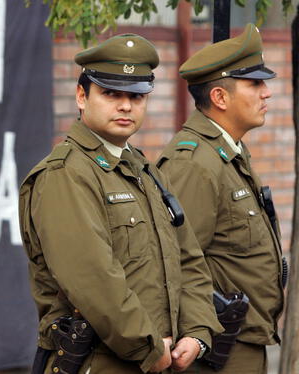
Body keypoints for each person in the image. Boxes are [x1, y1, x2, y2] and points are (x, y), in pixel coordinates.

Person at [19, 33, 222, 374]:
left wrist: (198, 333)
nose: (125, 105)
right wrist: (148, 346)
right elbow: (94, 279)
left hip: (160, 359)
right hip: (101, 362)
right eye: (111, 93)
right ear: (82, 96)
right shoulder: (66, 174)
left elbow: (188, 259)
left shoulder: (146, 171)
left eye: (136, 96)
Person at [158, 24, 286, 374]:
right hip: (216, 351)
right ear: (220, 97)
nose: (266, 93)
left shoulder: (227, 152)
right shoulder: (194, 163)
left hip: (242, 343)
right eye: (255, 84)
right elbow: (173, 262)